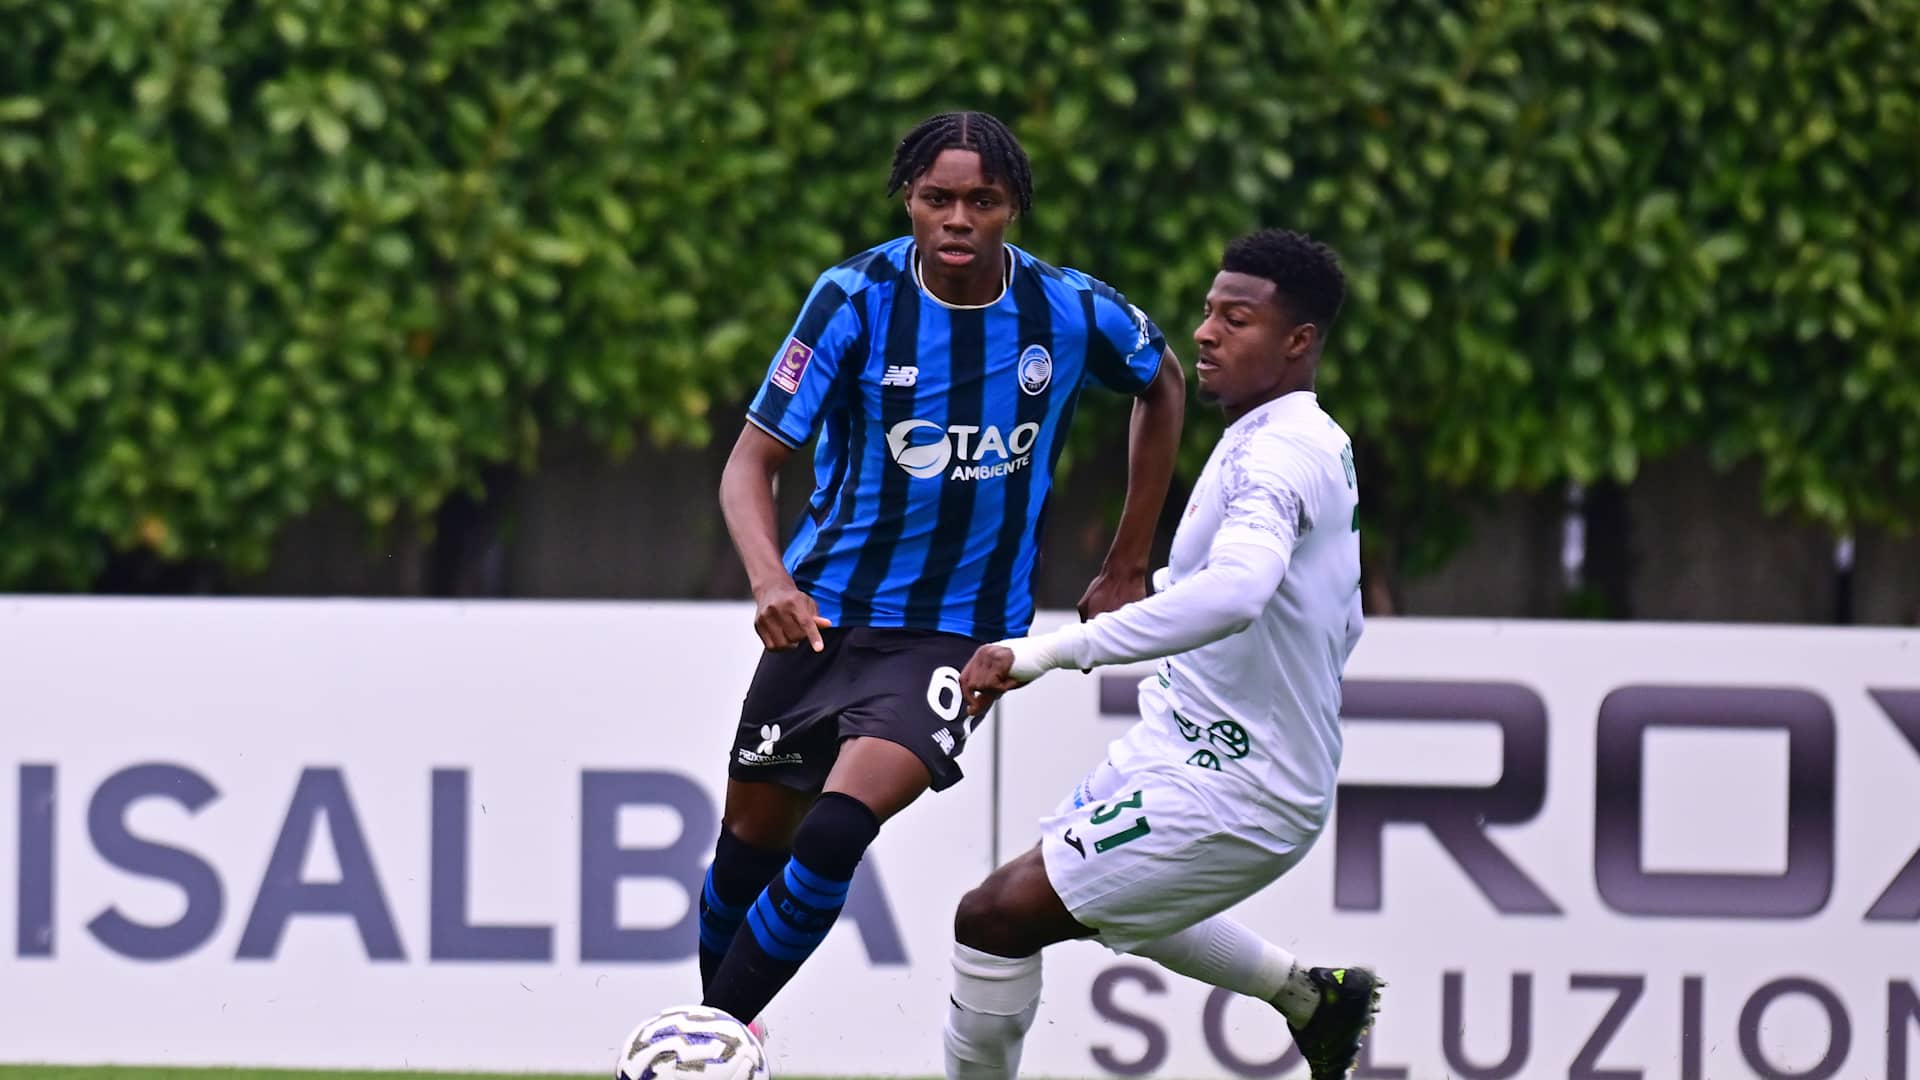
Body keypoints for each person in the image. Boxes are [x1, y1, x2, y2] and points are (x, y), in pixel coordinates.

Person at [697, 110, 1187, 1029]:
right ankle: (721, 1031)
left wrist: (1130, 560)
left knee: (836, 829)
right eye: (938, 198)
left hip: (958, 633)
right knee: (748, 848)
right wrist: (770, 580)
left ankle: (707, 1039)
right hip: (823, 616)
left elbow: (1161, 380)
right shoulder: (853, 299)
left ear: (1013, 207)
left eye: (983, 200)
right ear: (909, 202)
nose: (959, 218)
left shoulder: (1067, 309)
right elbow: (749, 462)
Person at [942, 228, 1379, 1080]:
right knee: (1111, 904)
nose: (1206, 333)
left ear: (1299, 341)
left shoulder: (1278, 453)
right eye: (1209, 312)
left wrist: (1048, 653)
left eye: (1237, 320)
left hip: (1242, 785)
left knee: (994, 918)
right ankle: (1313, 1000)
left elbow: (1239, 591)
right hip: (1187, 744)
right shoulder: (1289, 433)